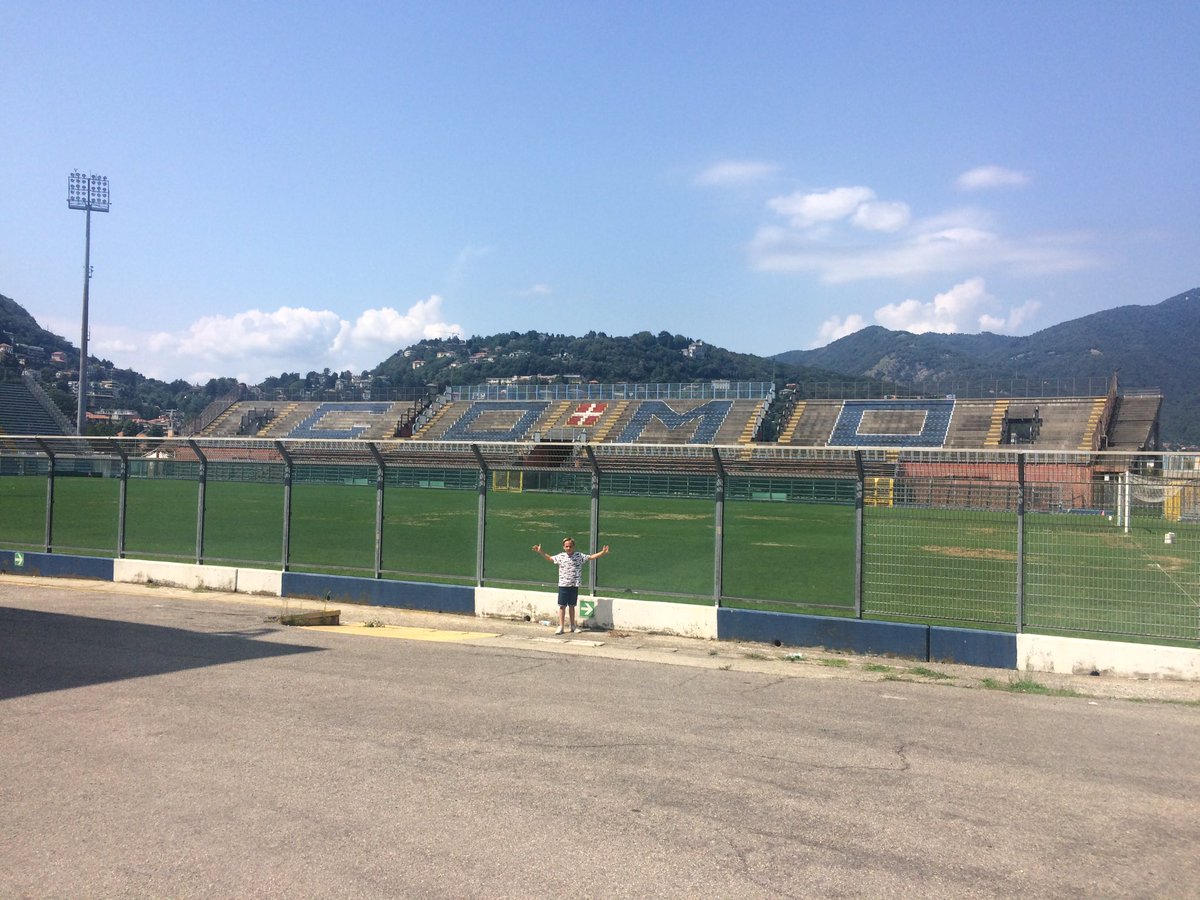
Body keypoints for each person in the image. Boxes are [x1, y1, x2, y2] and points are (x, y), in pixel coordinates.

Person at [532, 537, 610, 634]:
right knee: (562, 606)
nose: (568, 548)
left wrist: (602, 552)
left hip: (574, 585)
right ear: (563, 547)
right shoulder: (561, 556)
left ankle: (573, 626)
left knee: (572, 606)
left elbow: (591, 557)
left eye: (570, 546)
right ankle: (561, 627)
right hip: (563, 585)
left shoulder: (579, 556)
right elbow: (550, 558)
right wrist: (540, 551)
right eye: (566, 546)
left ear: (573, 546)